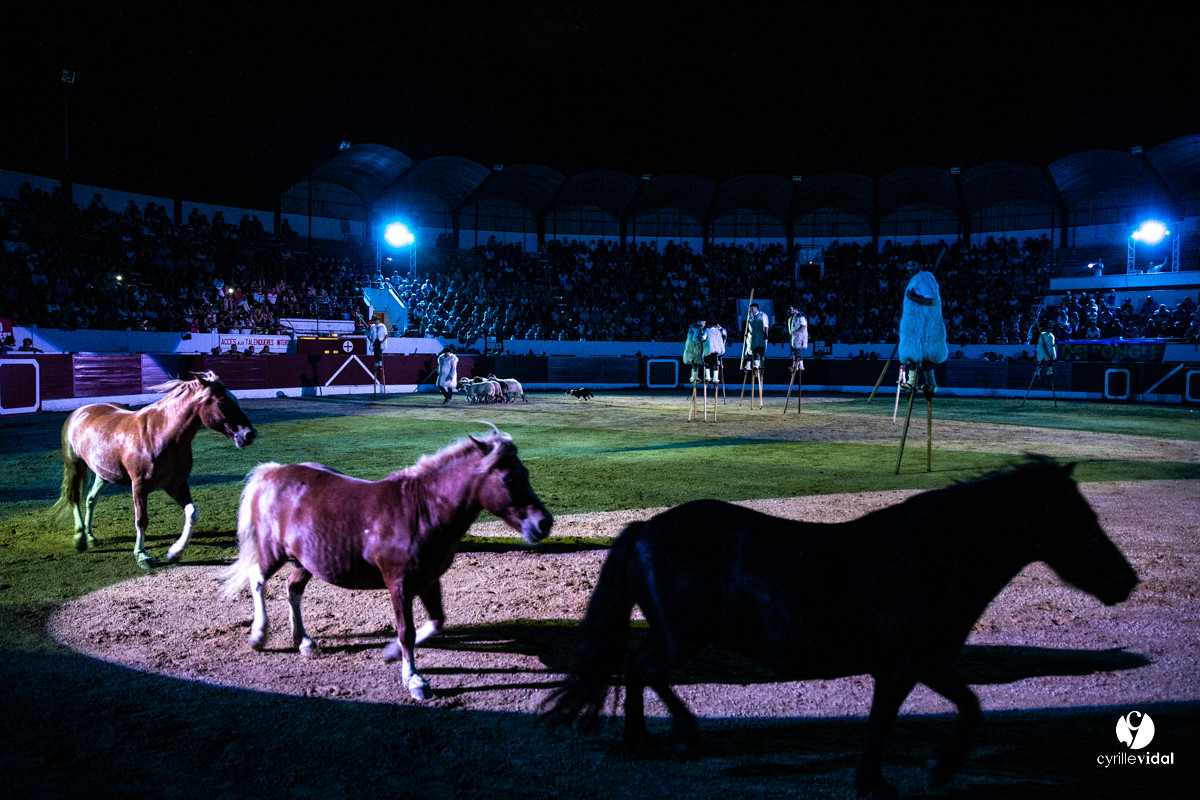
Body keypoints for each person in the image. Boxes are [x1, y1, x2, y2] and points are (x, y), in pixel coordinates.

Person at [898, 271, 948, 394]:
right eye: (908, 265)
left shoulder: (922, 279)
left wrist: (911, 297)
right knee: (923, 358)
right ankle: (930, 384)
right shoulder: (918, 279)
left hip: (923, 328)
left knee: (918, 356)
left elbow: (928, 300)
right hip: (920, 327)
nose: (909, 268)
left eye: (913, 265)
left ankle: (913, 383)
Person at [743, 302, 769, 372]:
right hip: (752, 336)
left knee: (760, 351)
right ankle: (754, 365)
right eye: (750, 308)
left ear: (756, 308)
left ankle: (760, 366)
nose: (751, 310)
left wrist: (766, 334)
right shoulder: (750, 316)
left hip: (760, 335)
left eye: (752, 308)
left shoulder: (762, 315)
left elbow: (766, 326)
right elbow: (748, 326)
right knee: (752, 350)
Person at [701, 320, 726, 384]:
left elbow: (704, 337)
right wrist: (722, 350)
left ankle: (708, 377)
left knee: (707, 362)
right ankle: (715, 378)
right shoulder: (718, 331)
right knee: (715, 363)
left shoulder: (707, 330)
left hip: (709, 349)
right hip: (716, 350)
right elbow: (721, 340)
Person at [683, 317, 706, 384]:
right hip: (694, 348)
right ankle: (693, 377)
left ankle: (693, 377)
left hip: (689, 348)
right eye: (703, 322)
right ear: (699, 322)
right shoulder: (698, 328)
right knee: (696, 363)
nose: (704, 324)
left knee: (694, 363)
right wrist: (702, 340)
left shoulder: (692, 328)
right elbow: (695, 339)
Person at [786, 306, 809, 372]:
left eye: (793, 309)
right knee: (795, 351)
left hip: (799, 336)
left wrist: (797, 332)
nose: (791, 310)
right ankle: (800, 366)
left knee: (797, 351)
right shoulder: (792, 317)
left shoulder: (800, 316)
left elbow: (804, 326)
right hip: (794, 336)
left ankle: (797, 366)